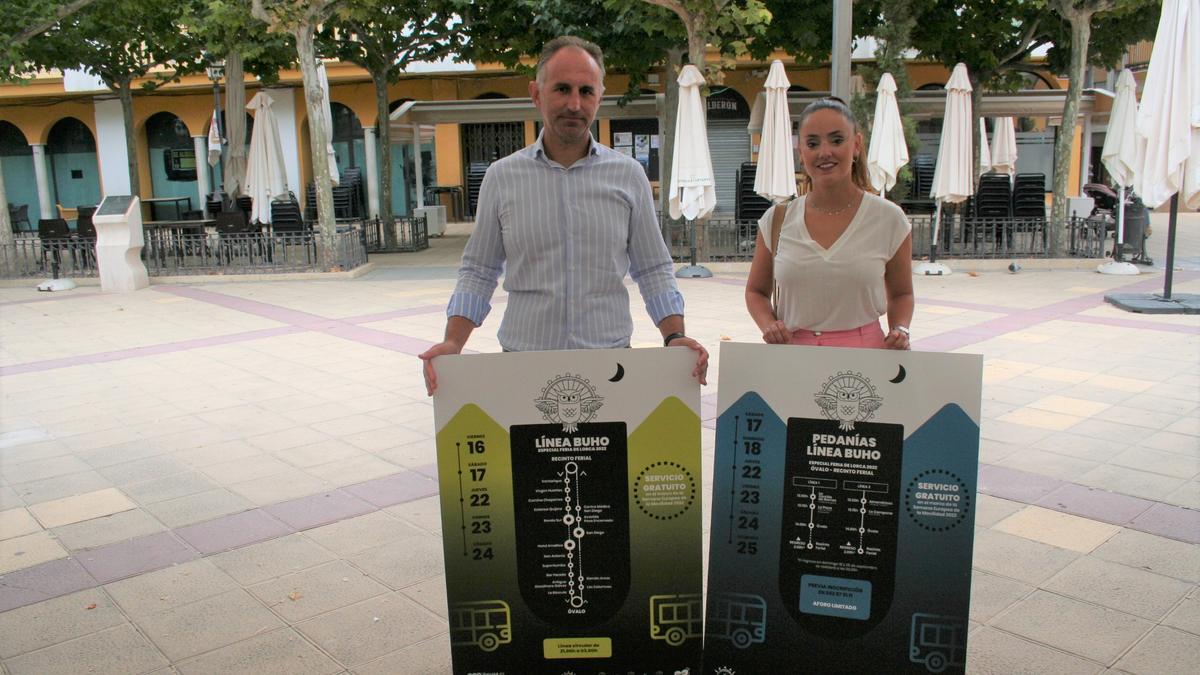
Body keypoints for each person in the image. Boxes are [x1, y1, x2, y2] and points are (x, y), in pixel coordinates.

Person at [420, 36, 708, 394]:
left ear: (599, 97)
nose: (575, 104)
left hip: (610, 365)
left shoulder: (628, 175)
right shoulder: (502, 177)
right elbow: (479, 270)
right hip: (524, 362)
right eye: (562, 89)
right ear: (536, 94)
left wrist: (675, 336)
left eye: (586, 91)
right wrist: (453, 343)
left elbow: (653, 268)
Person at [745, 97, 914, 350]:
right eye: (812, 143)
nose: (825, 152)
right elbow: (756, 292)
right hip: (793, 358)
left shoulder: (889, 219)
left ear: (856, 145)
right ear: (801, 152)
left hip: (866, 358)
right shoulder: (776, 221)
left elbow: (902, 294)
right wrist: (769, 324)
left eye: (837, 140)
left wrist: (900, 328)